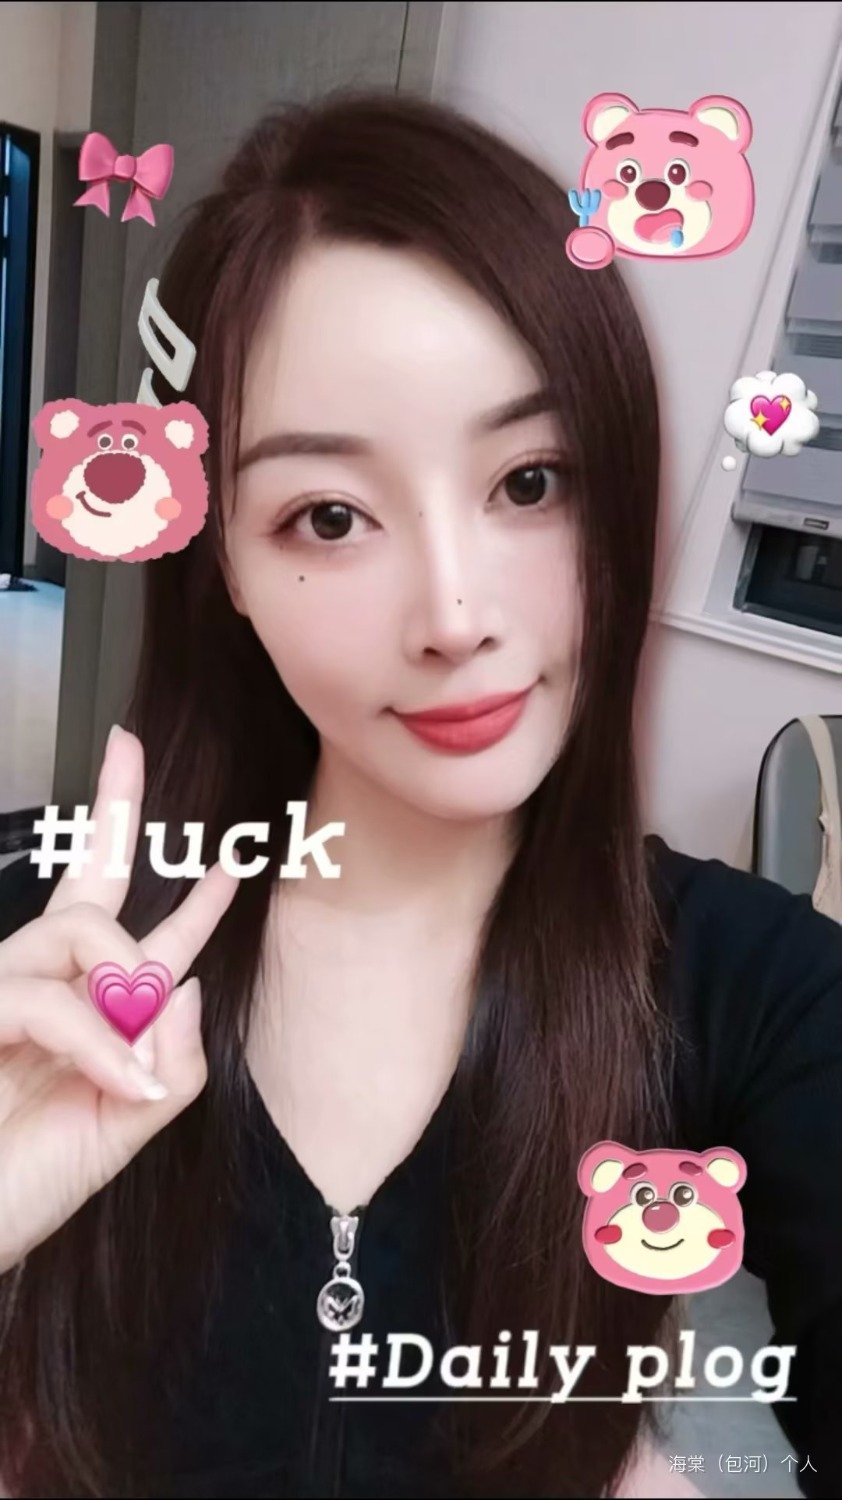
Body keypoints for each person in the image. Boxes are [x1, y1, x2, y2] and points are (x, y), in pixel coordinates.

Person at [0, 88, 840, 1500]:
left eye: (531, 480)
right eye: (329, 516)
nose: (455, 616)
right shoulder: (37, 941)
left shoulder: (755, 989)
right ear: (225, 569)